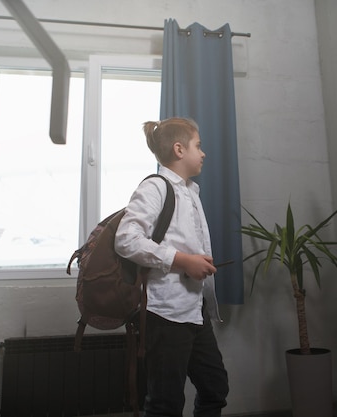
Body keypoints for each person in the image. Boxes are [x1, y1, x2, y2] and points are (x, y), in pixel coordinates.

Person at [114, 117, 229, 417]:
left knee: (215, 387)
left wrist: (197, 261)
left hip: (194, 309)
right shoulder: (155, 187)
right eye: (198, 146)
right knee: (165, 403)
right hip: (165, 314)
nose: (203, 153)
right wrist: (184, 261)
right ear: (179, 149)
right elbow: (126, 240)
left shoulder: (191, 191)